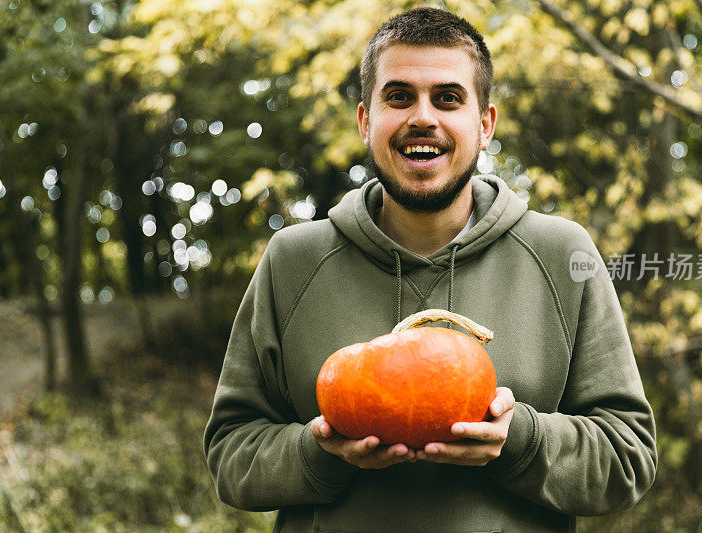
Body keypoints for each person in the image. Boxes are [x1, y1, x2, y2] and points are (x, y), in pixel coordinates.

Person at [204, 7, 657, 532]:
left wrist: (519, 441)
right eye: (399, 97)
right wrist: (321, 453)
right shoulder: (293, 260)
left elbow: (628, 457)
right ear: (365, 120)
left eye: (448, 97)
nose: (424, 117)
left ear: (485, 125)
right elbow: (230, 453)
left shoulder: (561, 255)